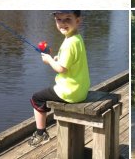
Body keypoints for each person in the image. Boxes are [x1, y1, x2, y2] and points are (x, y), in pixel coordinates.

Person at [28, 10, 90, 146]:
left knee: (36, 98)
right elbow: (72, 61)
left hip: (69, 91)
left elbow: (61, 69)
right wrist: (57, 58)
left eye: (67, 19)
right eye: (59, 19)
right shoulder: (76, 38)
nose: (63, 23)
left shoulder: (69, 43)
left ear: (78, 20)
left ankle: (41, 133)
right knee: (43, 95)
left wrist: (50, 61)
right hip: (81, 89)